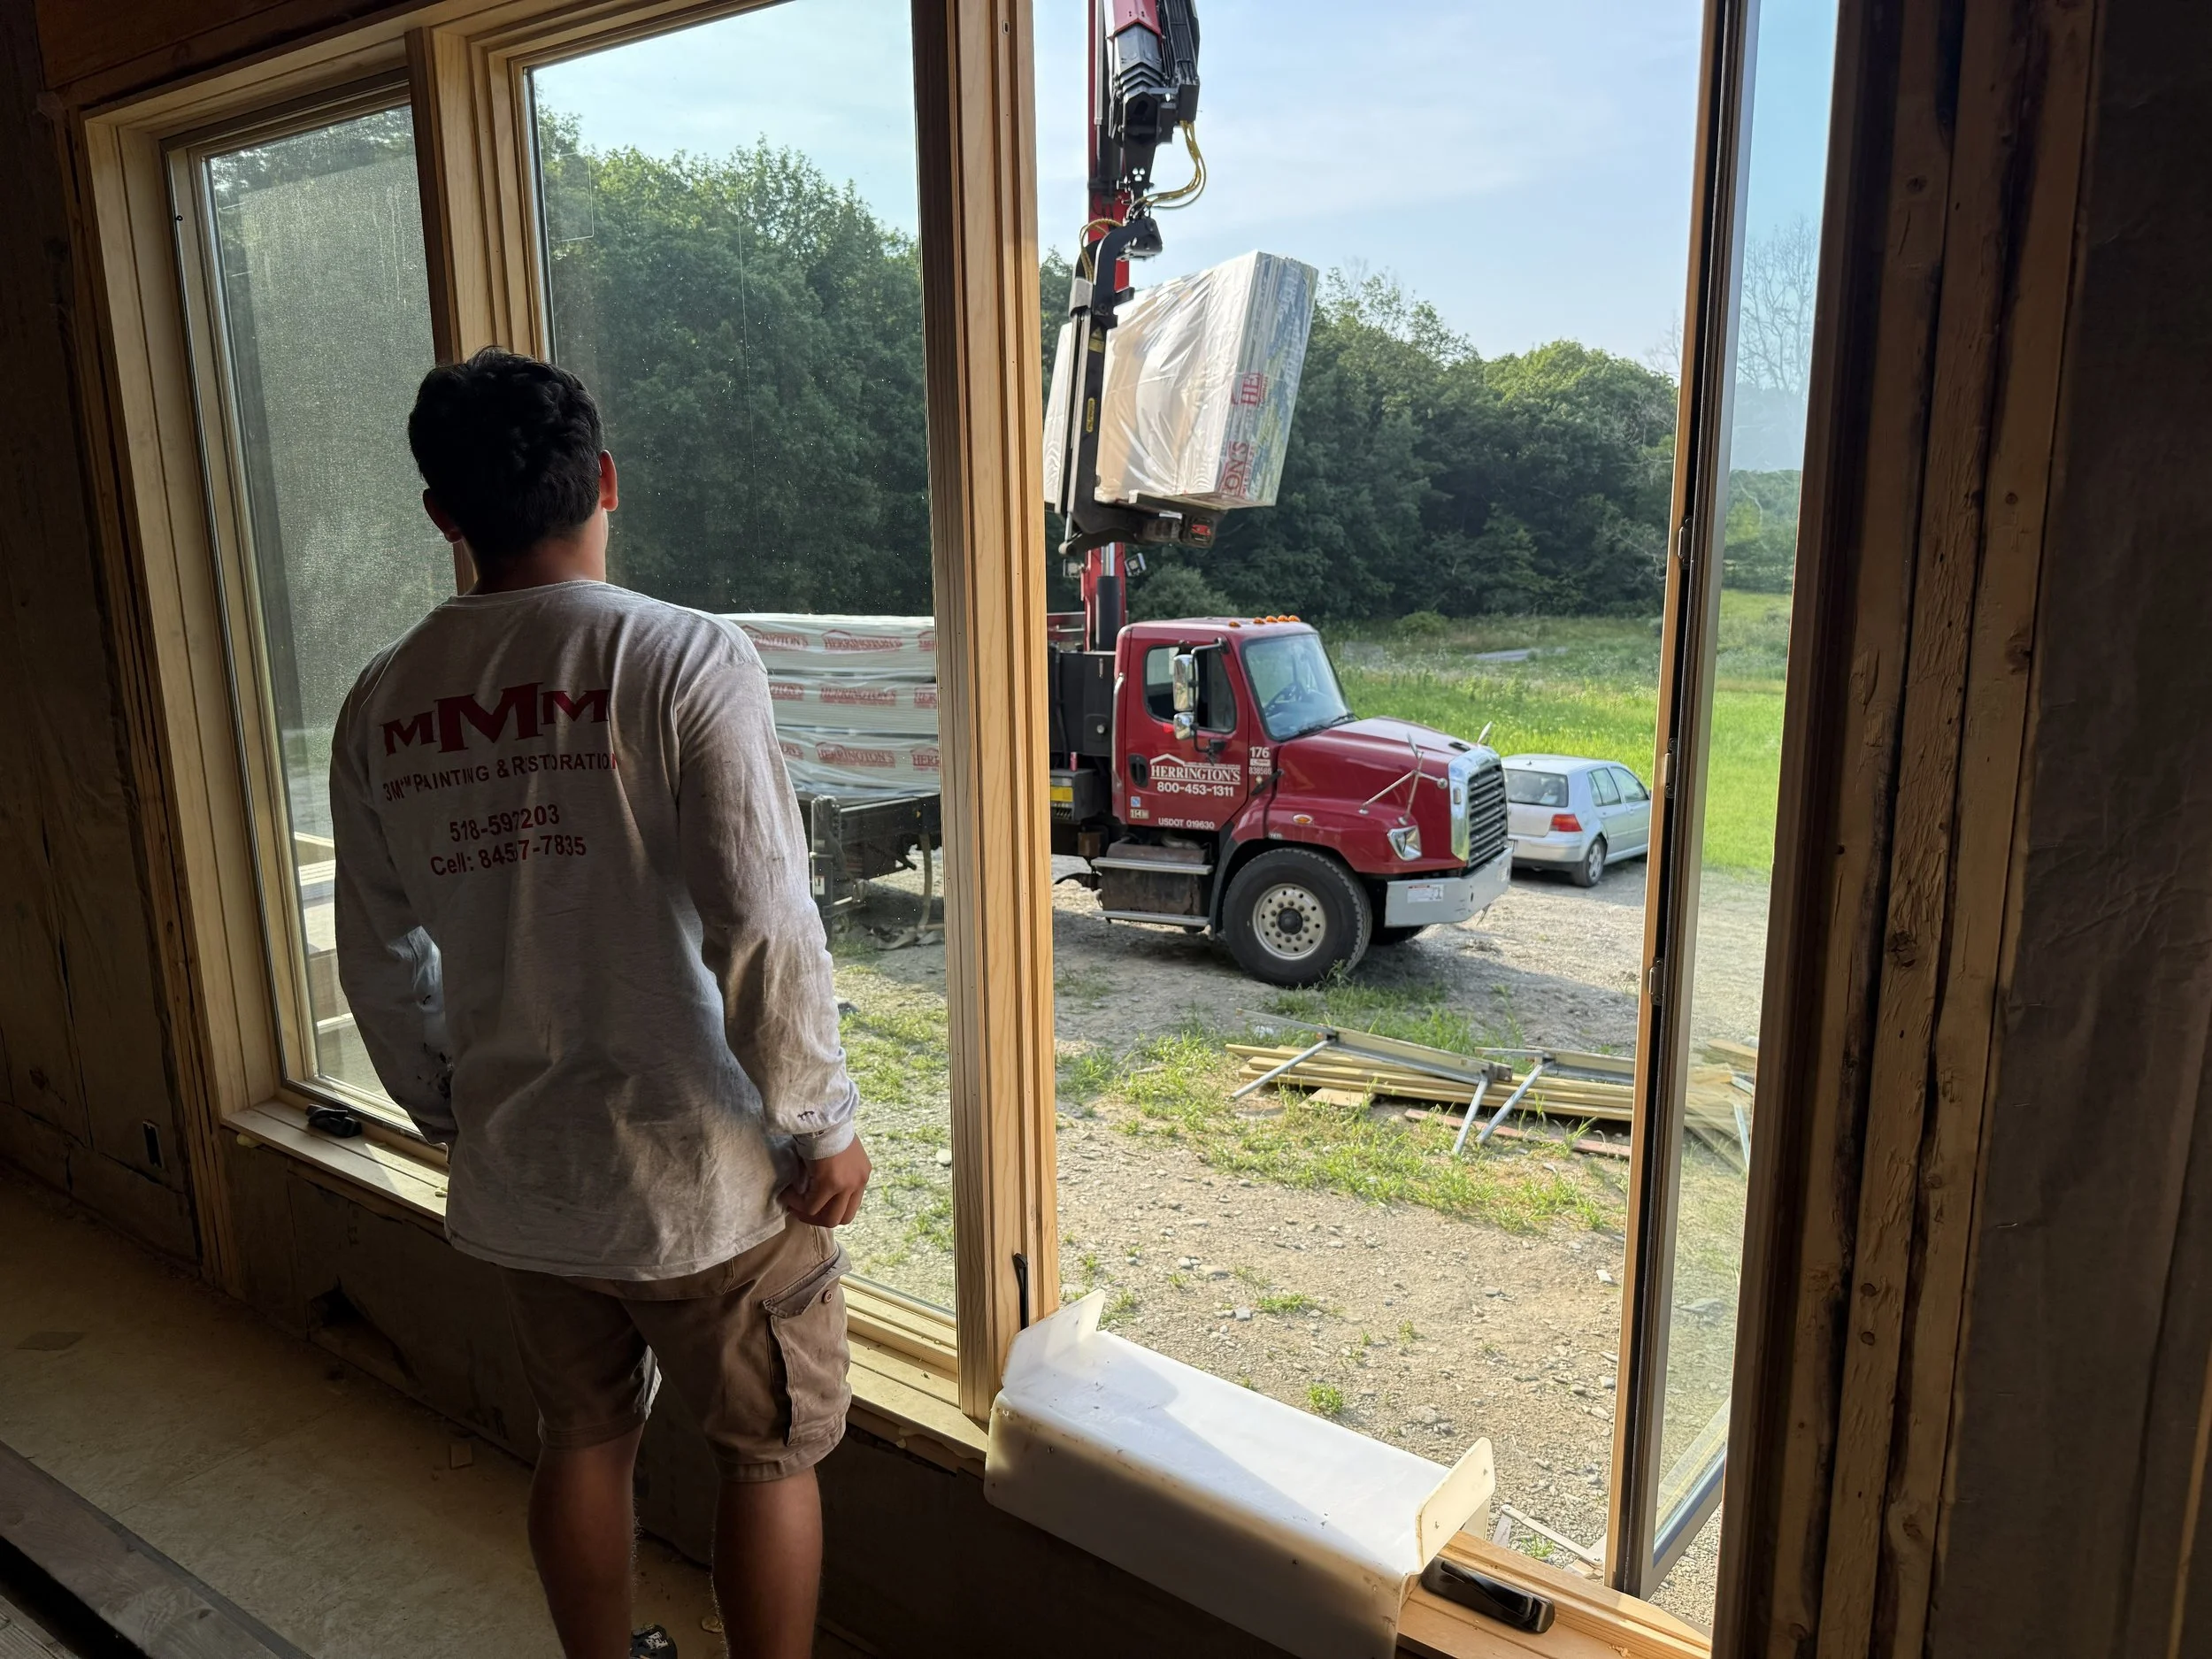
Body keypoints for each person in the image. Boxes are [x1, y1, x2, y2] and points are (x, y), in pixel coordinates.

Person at [331, 347, 870, 1659]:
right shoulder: (683, 656)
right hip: (707, 1175)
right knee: (768, 1453)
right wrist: (822, 1119)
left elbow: (377, 953)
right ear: (607, 481)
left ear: (443, 514)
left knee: (581, 1435)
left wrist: (444, 1101)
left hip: (528, 1169)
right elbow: (764, 917)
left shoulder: (381, 702)